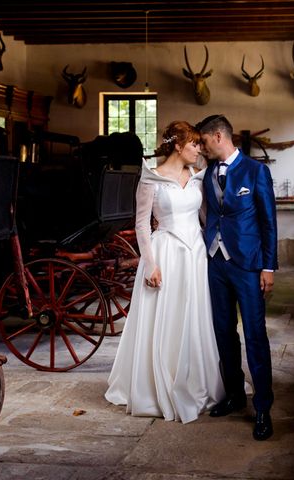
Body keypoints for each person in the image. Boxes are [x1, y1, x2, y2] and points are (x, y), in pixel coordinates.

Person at [105, 121, 224, 424]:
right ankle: (158, 383)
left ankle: (197, 379)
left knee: (195, 316)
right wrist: (150, 263)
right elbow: (142, 224)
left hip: (195, 253)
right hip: (165, 254)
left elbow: (206, 218)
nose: (199, 149)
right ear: (177, 146)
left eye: (200, 144)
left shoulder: (198, 178)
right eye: (194, 144)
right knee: (167, 316)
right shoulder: (151, 179)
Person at [196, 114, 278, 441]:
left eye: (203, 140)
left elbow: (269, 223)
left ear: (218, 136)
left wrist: (269, 267)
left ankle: (263, 407)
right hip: (215, 263)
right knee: (223, 331)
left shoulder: (257, 172)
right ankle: (234, 395)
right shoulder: (207, 175)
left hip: (248, 265)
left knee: (255, 333)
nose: (201, 146)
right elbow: (209, 215)